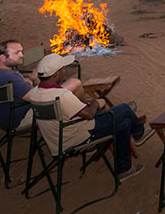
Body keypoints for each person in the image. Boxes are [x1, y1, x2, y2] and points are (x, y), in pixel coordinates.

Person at [28, 53, 153, 182]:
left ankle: (124, 170)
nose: (64, 71)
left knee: (124, 124)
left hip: (58, 140)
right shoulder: (62, 95)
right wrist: (94, 103)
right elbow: (89, 114)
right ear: (55, 74)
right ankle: (139, 133)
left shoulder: (34, 93)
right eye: (62, 69)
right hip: (81, 136)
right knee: (124, 109)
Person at [0, 40, 83, 130]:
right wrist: (36, 81)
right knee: (75, 83)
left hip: (4, 115)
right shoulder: (11, 77)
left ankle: (75, 112)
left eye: (21, 51)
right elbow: (37, 99)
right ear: (3, 57)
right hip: (18, 119)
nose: (21, 55)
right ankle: (78, 118)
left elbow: (17, 85)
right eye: (16, 53)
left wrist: (27, 81)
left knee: (36, 82)